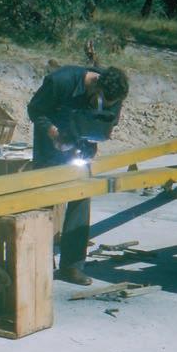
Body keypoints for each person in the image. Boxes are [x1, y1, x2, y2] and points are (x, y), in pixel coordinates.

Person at [28, 65, 129, 285]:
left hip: (82, 144)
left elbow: (109, 122)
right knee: (42, 202)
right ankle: (38, 262)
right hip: (51, 143)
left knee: (81, 198)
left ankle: (72, 266)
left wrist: (94, 138)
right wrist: (54, 133)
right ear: (95, 85)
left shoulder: (114, 94)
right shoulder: (60, 82)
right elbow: (35, 110)